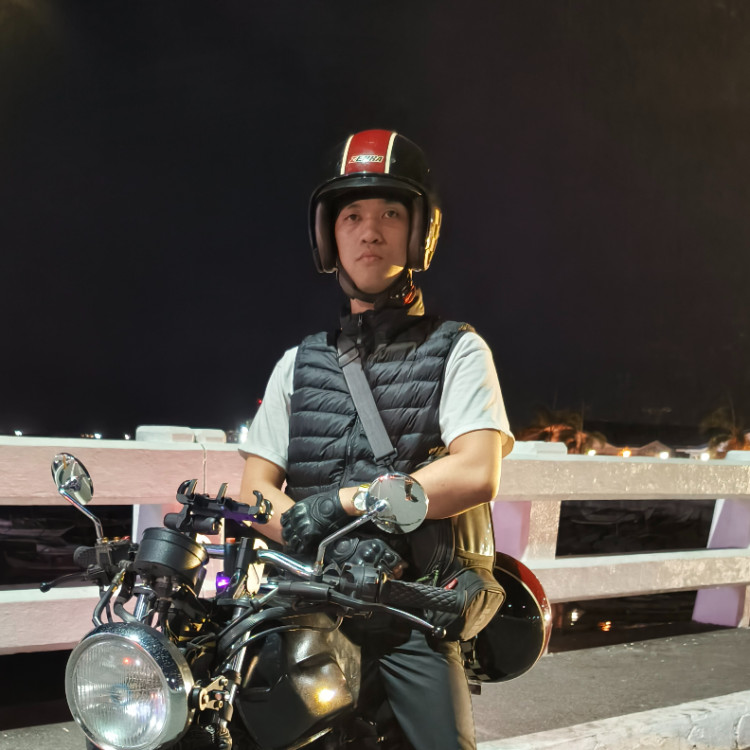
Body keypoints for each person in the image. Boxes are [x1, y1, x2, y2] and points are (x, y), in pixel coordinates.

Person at [238, 129, 514, 750]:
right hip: (305, 601)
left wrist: (349, 501)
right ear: (329, 236)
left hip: (404, 609)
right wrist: (310, 536)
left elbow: (476, 471)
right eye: (352, 216)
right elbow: (255, 490)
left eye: (390, 213)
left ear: (418, 232)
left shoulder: (458, 349)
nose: (370, 231)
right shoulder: (297, 363)